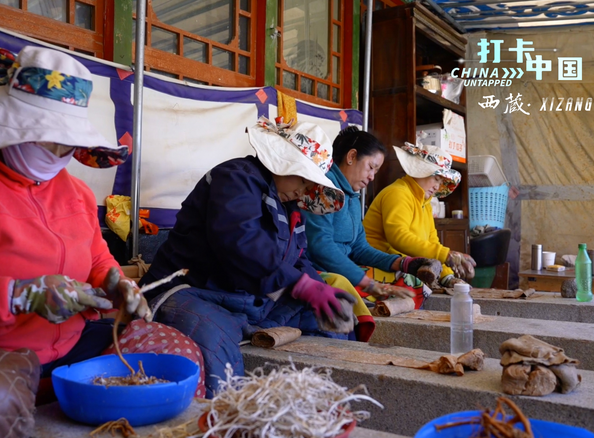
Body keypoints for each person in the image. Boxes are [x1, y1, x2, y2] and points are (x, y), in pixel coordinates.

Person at [0, 46, 204, 438]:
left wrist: (115, 282)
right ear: (8, 125)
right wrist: (19, 295)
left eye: (66, 143)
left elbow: (97, 257)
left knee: (178, 351)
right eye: (44, 139)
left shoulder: (77, 193)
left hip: (65, 347)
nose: (57, 154)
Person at [139, 117, 362, 397]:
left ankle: (322, 402)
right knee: (214, 342)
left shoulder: (290, 206)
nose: (305, 189)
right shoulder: (236, 177)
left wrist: (319, 289)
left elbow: (299, 259)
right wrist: (301, 285)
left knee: (324, 321)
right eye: (303, 178)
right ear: (281, 161)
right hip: (189, 291)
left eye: (310, 183)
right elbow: (239, 242)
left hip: (241, 300)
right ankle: (228, 418)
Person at [303, 127, 443, 341]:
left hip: (345, 272)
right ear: (351, 157)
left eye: (375, 171)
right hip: (317, 272)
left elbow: (359, 248)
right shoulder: (323, 187)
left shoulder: (351, 197)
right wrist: (367, 283)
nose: (372, 177)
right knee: (343, 295)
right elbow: (320, 246)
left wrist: (403, 263)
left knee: (409, 283)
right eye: (371, 167)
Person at [364, 142, 476, 288]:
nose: (438, 186)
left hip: (401, 267)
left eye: (441, 182)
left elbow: (432, 242)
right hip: (378, 267)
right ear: (420, 171)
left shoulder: (425, 204)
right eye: (436, 179)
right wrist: (445, 255)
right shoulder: (398, 193)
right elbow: (398, 237)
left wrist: (447, 276)